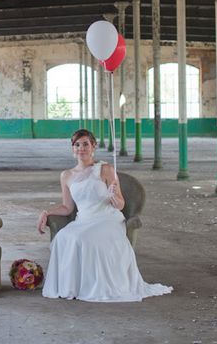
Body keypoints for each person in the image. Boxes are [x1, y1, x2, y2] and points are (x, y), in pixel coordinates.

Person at [37, 129, 173, 302]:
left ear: (93, 146)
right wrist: (47, 212)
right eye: (77, 145)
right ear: (73, 149)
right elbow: (67, 207)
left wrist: (114, 195)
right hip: (84, 220)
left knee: (83, 239)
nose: (81, 148)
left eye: (86, 144)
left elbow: (121, 204)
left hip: (107, 218)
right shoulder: (66, 175)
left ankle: (93, 287)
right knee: (65, 236)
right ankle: (72, 287)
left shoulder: (106, 169)